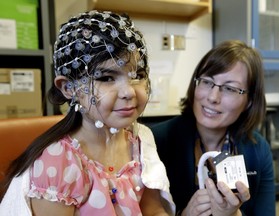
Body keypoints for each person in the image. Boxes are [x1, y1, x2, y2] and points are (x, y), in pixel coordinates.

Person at [0, 10, 175, 215]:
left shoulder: (139, 140)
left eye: (138, 75)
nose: (129, 92)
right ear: (68, 88)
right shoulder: (59, 162)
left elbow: (153, 210)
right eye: (107, 78)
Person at [151, 40, 275, 216]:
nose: (213, 97)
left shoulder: (258, 149)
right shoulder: (156, 142)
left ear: (249, 101)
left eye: (230, 88)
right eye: (207, 82)